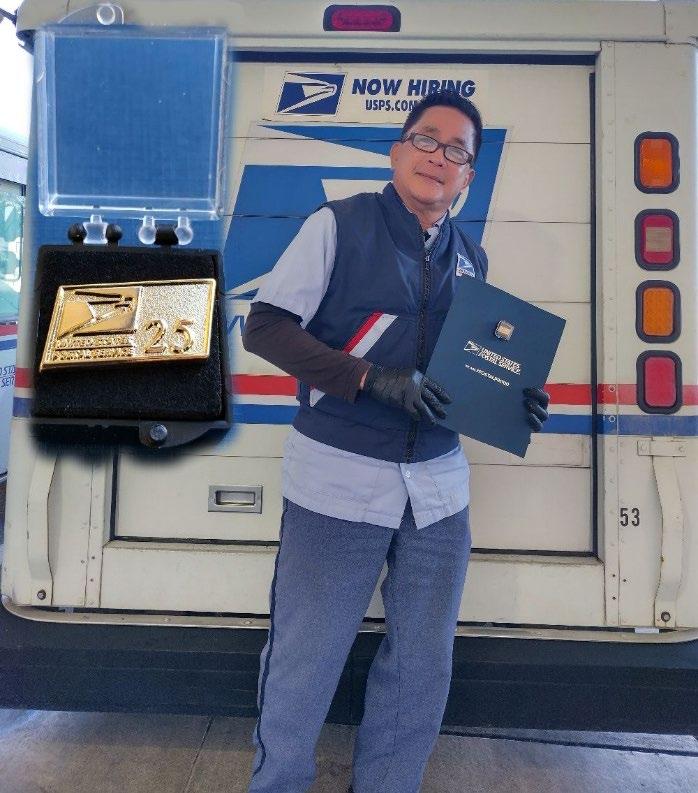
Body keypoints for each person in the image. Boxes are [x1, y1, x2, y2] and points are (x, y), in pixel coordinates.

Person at [242, 89, 549, 793]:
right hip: (337, 482)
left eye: (456, 151)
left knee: (421, 666)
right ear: (396, 151)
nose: (438, 156)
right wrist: (369, 378)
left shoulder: (471, 257)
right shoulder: (338, 225)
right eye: (426, 139)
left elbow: (465, 371)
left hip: (438, 493)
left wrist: (513, 399)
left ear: (468, 176)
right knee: (304, 660)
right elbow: (265, 327)